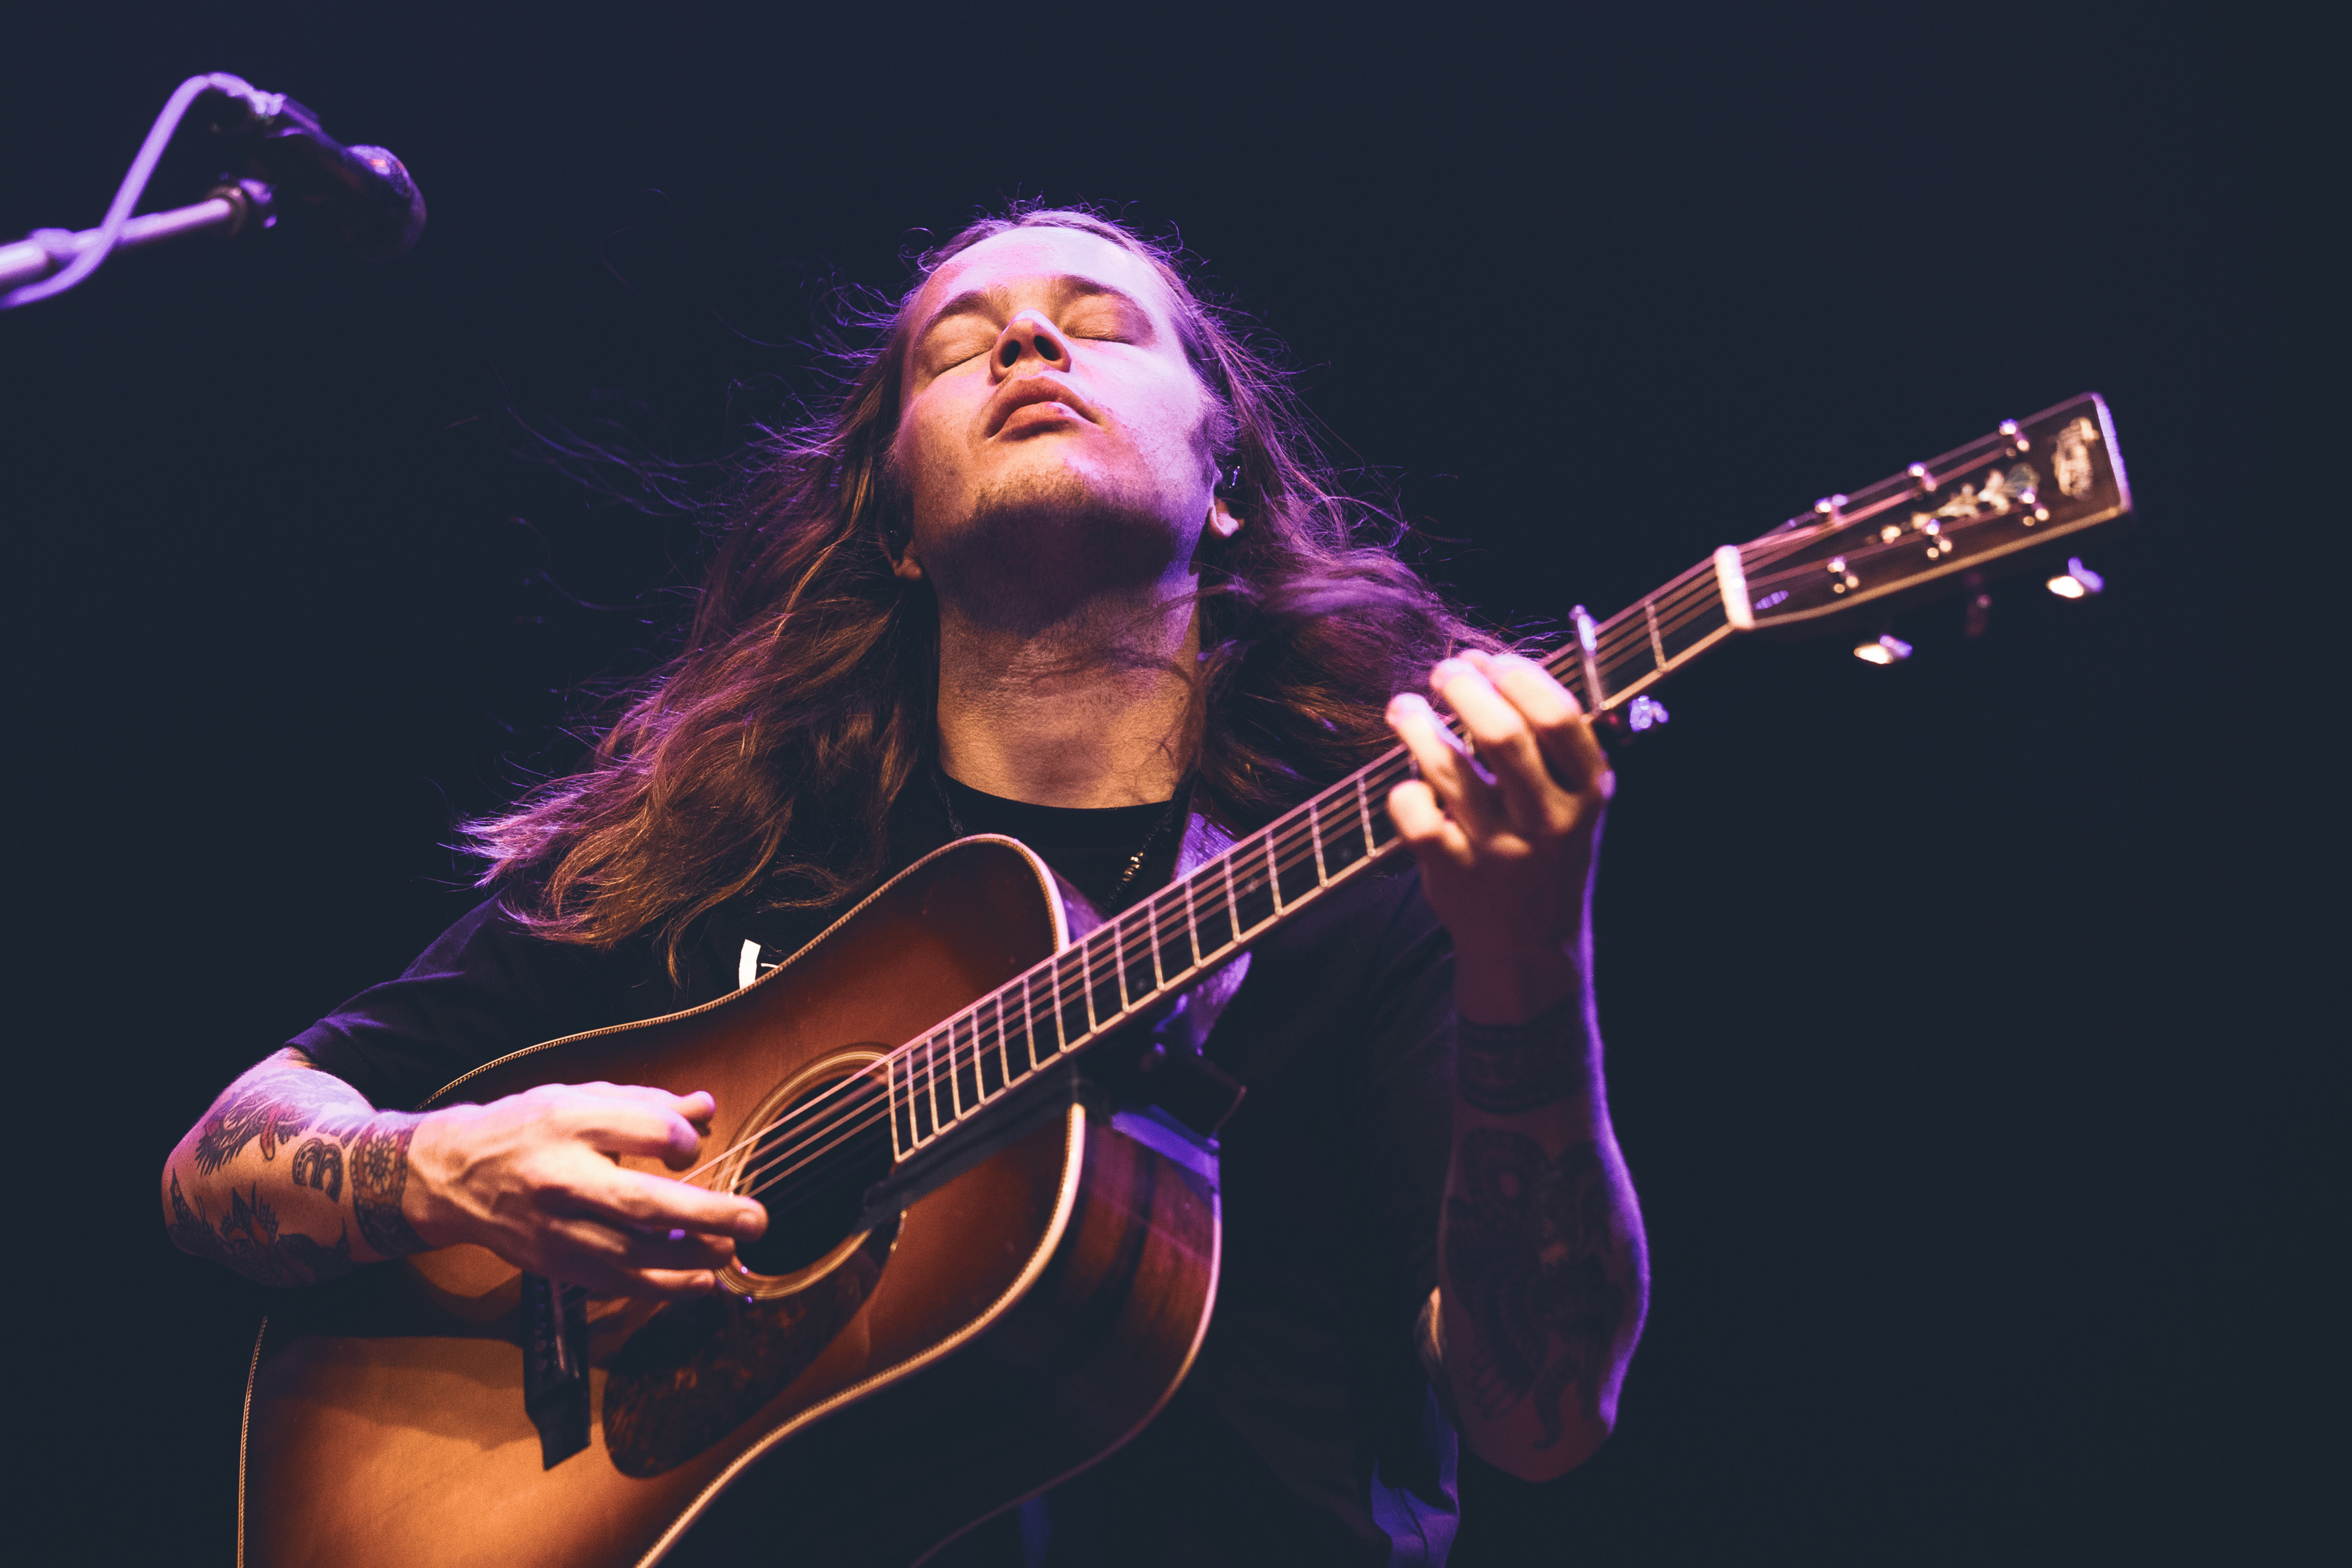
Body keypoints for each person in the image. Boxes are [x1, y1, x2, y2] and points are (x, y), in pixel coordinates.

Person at [161, 206, 1649, 1564]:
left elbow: (1541, 1414)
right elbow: (220, 1152)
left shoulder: (1387, 870)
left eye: (1107, 322)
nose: (1029, 338)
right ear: (890, 517)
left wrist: (1534, 964)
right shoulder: (713, 850)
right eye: (960, 340)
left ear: (1230, 483)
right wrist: (445, 1163)